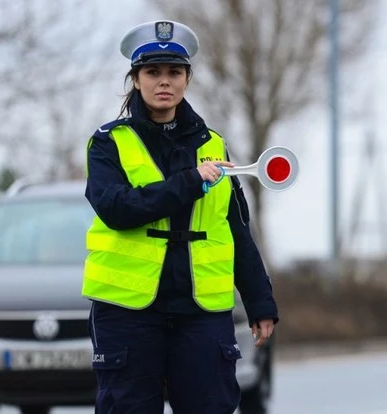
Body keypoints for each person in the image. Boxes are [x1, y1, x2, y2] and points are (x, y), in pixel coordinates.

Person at [82, 20, 278, 414]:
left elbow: (235, 228)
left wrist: (260, 302)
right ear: (136, 80)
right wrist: (189, 183)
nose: (163, 81)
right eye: (152, 72)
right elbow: (117, 208)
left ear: (187, 78)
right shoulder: (107, 143)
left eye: (174, 72)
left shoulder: (214, 144)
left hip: (200, 314)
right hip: (129, 314)